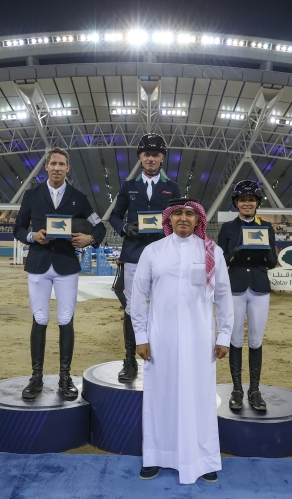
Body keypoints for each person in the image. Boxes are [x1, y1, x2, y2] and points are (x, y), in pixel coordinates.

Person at [131, 198, 233, 484]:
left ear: (198, 219)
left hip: (200, 339)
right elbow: (138, 298)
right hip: (160, 339)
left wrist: (224, 335)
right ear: (169, 219)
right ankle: (155, 456)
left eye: (189, 214)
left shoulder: (212, 251)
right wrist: (141, 336)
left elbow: (224, 295)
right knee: (160, 396)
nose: (183, 218)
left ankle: (204, 459)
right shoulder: (153, 252)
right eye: (178, 214)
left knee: (199, 397)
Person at [13, 147, 106, 401]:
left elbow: (100, 226)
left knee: (66, 318)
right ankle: (36, 377)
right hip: (38, 264)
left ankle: (65, 378)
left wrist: (90, 239)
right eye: (52, 163)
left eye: (61, 164)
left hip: (66, 266)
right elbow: (18, 228)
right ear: (46, 167)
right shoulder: (32, 195)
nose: (56, 168)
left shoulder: (79, 197)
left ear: (67, 168)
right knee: (40, 318)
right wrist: (33, 236)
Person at [109, 134, 181, 382]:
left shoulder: (173, 187)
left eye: (155, 155)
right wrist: (123, 228)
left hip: (164, 254)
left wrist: (168, 229)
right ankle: (129, 360)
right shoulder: (128, 187)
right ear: (140, 158)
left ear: (162, 159)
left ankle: (165, 357)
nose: (151, 158)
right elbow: (115, 216)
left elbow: (181, 218)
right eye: (146, 154)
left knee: (165, 305)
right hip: (134, 255)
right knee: (132, 307)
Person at [217, 181, 278, 411]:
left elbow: (271, 263)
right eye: (242, 200)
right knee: (235, 339)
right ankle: (236, 390)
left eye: (251, 200)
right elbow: (221, 262)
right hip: (234, 288)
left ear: (257, 203)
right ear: (236, 203)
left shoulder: (267, 228)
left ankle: (254, 390)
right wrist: (235, 251)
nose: (247, 203)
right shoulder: (228, 229)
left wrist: (267, 252)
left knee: (255, 340)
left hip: (259, 287)